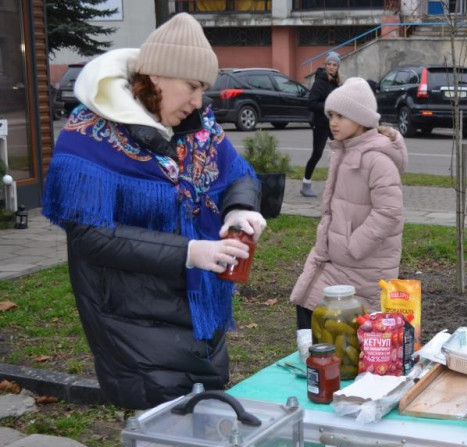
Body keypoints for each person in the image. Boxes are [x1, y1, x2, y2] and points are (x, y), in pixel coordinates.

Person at [41, 13, 267, 410]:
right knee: (160, 433)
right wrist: (189, 252)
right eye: (193, 87)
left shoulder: (199, 124)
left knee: (195, 429)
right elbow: (89, 237)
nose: (200, 101)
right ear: (158, 77)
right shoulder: (90, 133)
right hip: (131, 318)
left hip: (199, 312)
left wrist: (238, 209)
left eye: (204, 89)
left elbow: (237, 175)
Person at [290, 77, 408, 329]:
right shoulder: (343, 152)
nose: (333, 122)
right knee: (306, 306)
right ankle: (314, 364)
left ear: (361, 118)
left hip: (361, 265)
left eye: (341, 116)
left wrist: (353, 246)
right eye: (330, 115)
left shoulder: (377, 160)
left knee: (330, 325)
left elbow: (389, 212)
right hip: (334, 259)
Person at [301, 51, 342, 198]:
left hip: (334, 123)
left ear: (337, 68)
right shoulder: (319, 82)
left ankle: (339, 184)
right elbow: (311, 104)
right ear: (325, 66)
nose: (331, 67)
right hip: (320, 124)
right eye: (329, 64)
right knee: (317, 153)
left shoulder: (337, 84)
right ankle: (306, 184)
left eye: (334, 65)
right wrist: (328, 106)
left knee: (341, 152)